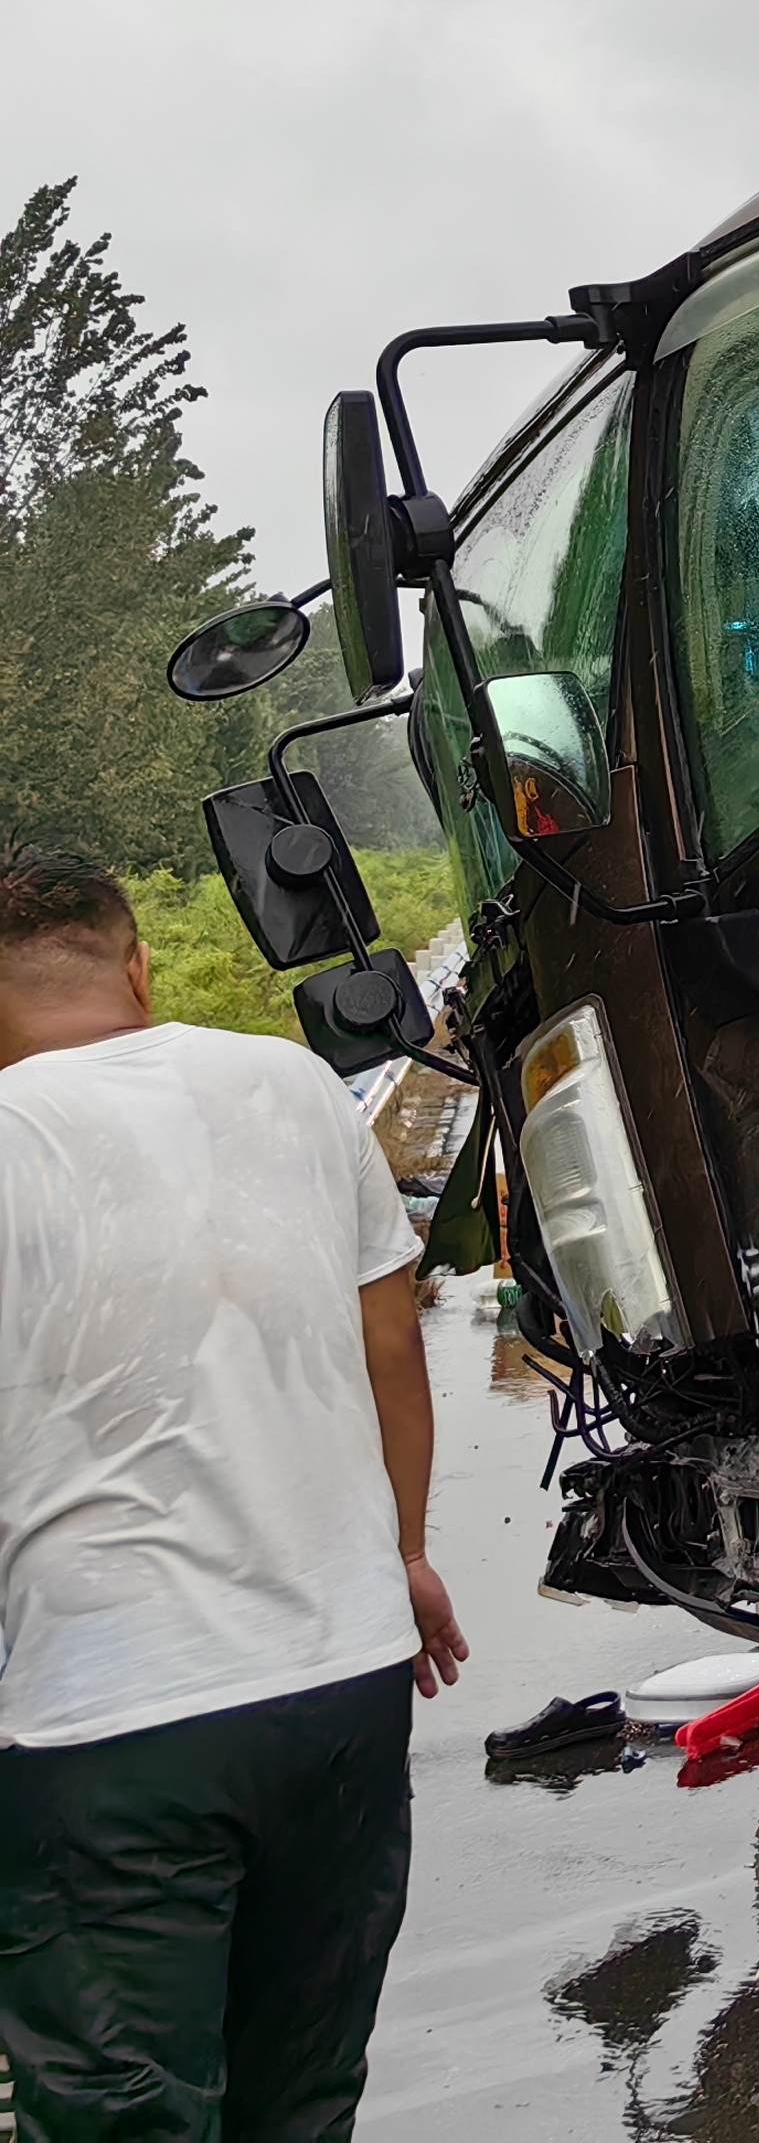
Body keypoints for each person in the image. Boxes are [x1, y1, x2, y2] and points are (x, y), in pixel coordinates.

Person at [0, 849, 466, 2139]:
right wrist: (406, 1555)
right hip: (341, 1687)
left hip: (110, 1727)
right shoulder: (297, 1089)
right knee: (302, 2102)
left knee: (122, 2115)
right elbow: (393, 1352)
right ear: (138, 965)